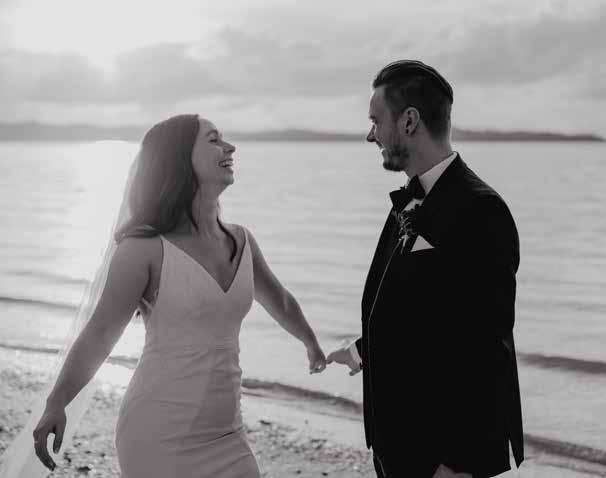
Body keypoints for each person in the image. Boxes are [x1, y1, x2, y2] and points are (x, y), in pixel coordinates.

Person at [30, 114, 328, 477]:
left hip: (228, 435)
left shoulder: (242, 241)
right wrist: (57, 402)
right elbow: (100, 334)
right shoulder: (143, 250)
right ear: (179, 158)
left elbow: (279, 301)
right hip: (158, 434)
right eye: (214, 140)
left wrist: (311, 343)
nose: (230, 147)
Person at [326, 60, 524, 477]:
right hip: (397, 445)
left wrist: (457, 463)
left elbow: (485, 348)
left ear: (409, 121)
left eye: (376, 121)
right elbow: (426, 319)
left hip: (441, 458)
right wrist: (361, 350)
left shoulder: (481, 209)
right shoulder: (408, 202)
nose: (371, 135)